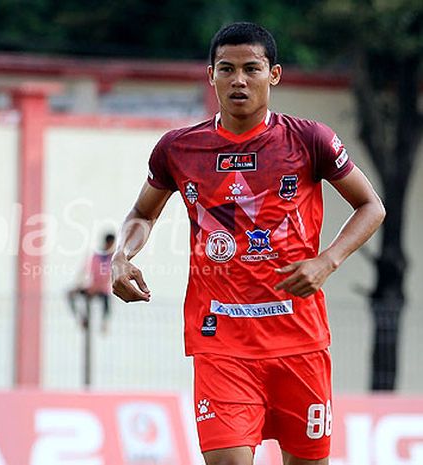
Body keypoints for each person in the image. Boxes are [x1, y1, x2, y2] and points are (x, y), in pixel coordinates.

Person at [111, 22, 385, 465]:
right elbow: (143, 213)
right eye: (227, 69)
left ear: (273, 74)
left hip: (299, 343)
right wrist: (121, 256)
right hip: (221, 344)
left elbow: (371, 206)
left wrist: (327, 261)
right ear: (210, 75)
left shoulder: (310, 139)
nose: (239, 80)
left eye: (251, 69)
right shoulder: (178, 148)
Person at [67, 233, 116, 333]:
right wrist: (78, 286)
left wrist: (96, 288)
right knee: (70, 295)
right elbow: (85, 271)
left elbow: (107, 277)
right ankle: (81, 318)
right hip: (92, 287)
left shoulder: (113, 258)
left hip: (102, 290)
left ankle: (104, 324)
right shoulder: (96, 256)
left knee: (106, 303)